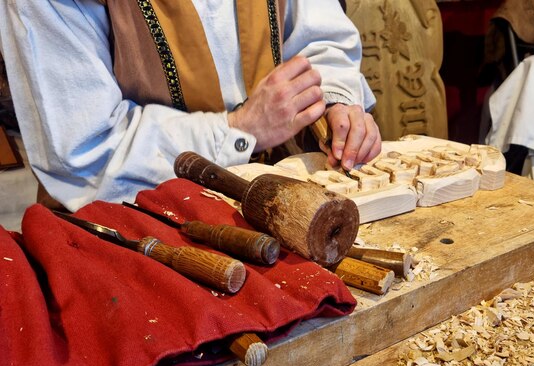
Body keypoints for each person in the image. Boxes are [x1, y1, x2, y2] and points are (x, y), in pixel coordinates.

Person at [0, 0, 381, 212]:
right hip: (129, 232)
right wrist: (238, 130)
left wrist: (334, 98)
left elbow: (321, 38)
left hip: (277, 206)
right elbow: (84, 149)